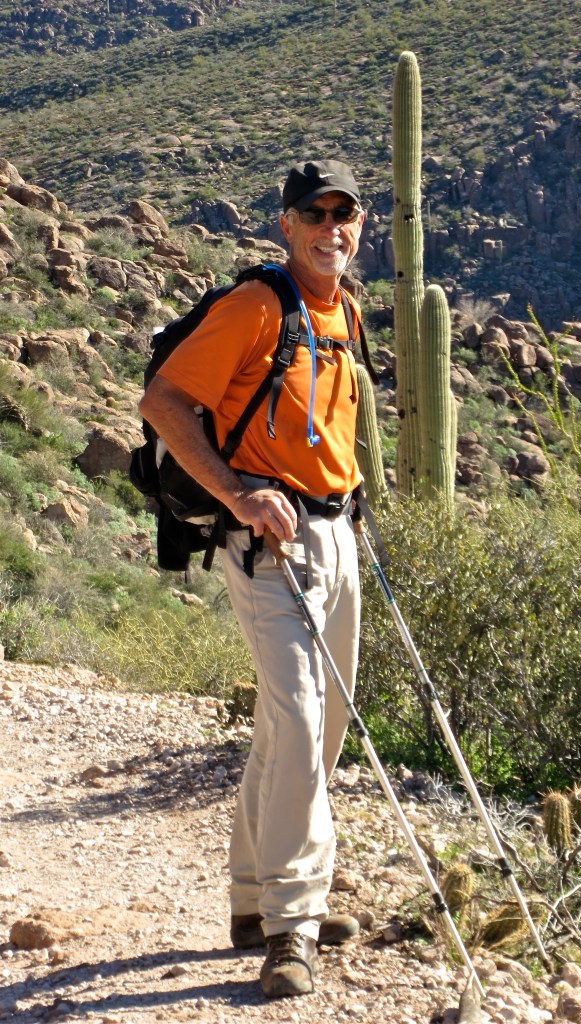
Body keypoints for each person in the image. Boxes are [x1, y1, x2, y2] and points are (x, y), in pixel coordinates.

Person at [139, 159, 366, 999]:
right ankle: (292, 926)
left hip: (338, 535)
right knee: (300, 718)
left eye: (345, 215)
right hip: (268, 543)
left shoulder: (340, 313)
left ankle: (249, 899)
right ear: (287, 224)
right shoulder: (256, 306)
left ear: (360, 226)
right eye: (316, 213)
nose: (330, 229)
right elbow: (164, 401)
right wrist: (235, 491)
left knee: (311, 722)